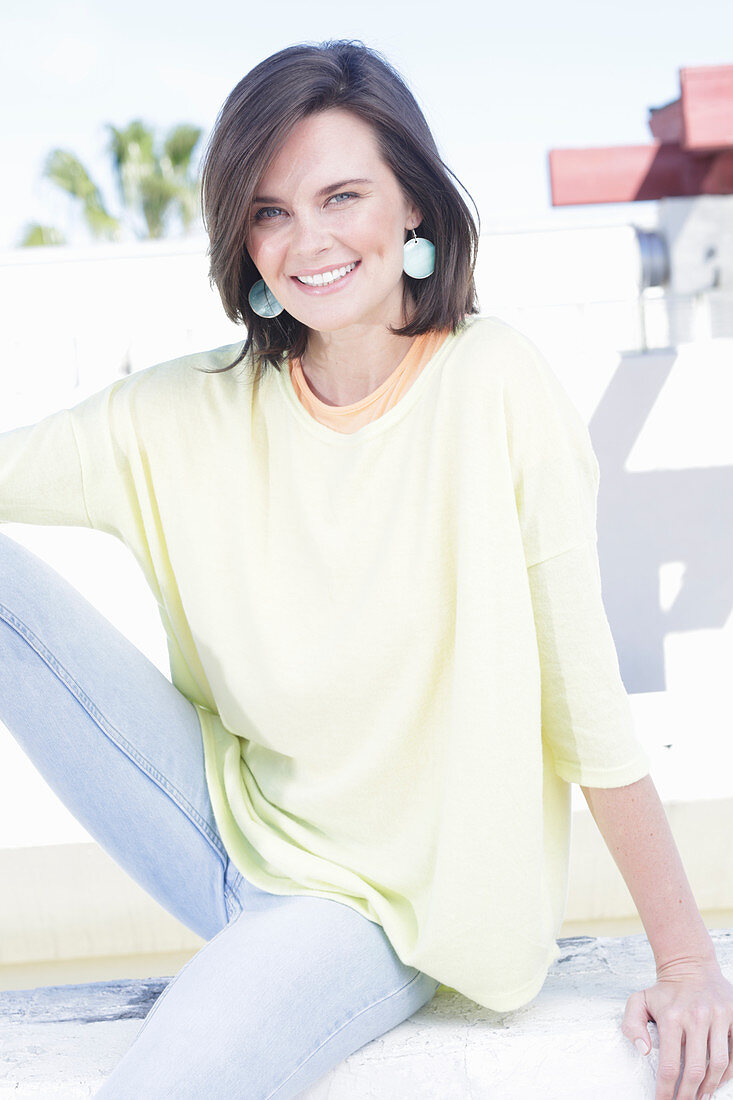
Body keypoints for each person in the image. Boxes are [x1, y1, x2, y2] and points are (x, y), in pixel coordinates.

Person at [0, 37, 731, 1100]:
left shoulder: (494, 385)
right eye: (270, 210)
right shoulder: (182, 410)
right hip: (212, 820)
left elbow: (586, 703)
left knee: (175, 1077)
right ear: (242, 239)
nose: (309, 240)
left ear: (414, 211)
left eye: (342, 195)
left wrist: (685, 958)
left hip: (380, 908)